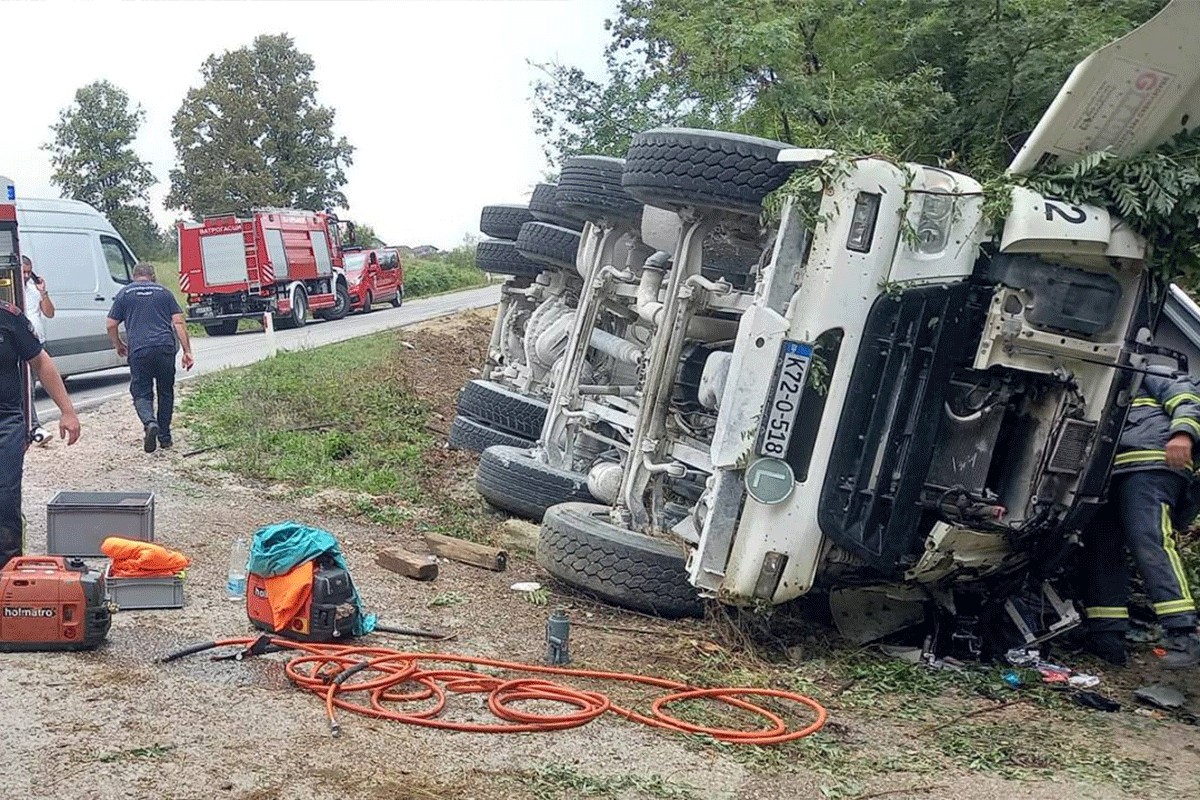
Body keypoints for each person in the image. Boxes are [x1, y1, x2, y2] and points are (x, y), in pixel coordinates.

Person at [1081, 366, 1200, 668]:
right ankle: (1107, 639)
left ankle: (1183, 634)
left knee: (1148, 539)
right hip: (1105, 473)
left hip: (1152, 463)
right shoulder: (1086, 374)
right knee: (1101, 548)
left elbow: (1185, 397)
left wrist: (1183, 434)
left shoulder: (1147, 367)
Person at [0, 299, 80, 570]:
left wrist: (67, 411)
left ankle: (7, 574)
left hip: (5, 422)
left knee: (5, 496)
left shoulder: (8, 317)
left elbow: (40, 361)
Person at [105, 263, 194, 453]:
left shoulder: (125, 294)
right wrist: (187, 351)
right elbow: (178, 322)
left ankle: (149, 422)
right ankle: (165, 437)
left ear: (133, 275)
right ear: (153, 276)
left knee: (141, 392)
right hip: (164, 348)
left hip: (139, 350)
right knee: (165, 392)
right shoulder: (164, 293)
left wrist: (118, 344)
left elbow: (111, 324)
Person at [21, 255, 54, 445]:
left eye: (28, 272)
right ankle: (34, 427)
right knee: (26, 387)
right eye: (23, 272)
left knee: (31, 386)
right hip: (20, 344)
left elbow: (49, 313)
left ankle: (32, 426)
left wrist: (44, 293)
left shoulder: (34, 290)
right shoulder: (11, 288)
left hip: (36, 343)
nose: (26, 276)